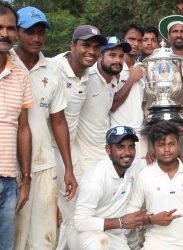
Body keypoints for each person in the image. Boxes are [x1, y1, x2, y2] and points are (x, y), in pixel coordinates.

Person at [10, 6, 77, 249]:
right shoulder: (6, 63)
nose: (37, 38)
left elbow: (58, 121)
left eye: (41, 32)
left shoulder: (52, 70)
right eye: (30, 32)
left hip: (45, 164)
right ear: (17, 32)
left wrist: (69, 168)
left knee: (44, 239)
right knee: (13, 237)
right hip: (9, 165)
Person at [52, 24, 107, 250]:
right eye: (86, 45)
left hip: (67, 154)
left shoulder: (87, 74)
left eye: (96, 47)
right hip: (45, 156)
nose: (91, 52)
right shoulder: (53, 68)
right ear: (72, 45)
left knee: (75, 216)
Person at [127, 120, 183, 250]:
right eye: (161, 145)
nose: (167, 150)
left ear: (178, 145)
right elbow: (131, 213)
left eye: (172, 144)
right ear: (153, 148)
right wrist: (151, 220)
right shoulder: (145, 174)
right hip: (156, 243)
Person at [74, 126, 147, 249]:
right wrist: (121, 222)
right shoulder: (95, 179)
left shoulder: (134, 165)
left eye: (131, 146)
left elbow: (157, 160)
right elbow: (80, 222)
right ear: (108, 149)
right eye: (120, 147)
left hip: (115, 234)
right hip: (88, 234)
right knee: (99, 243)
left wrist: (180, 154)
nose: (127, 152)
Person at [74, 36, 131, 179]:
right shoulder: (87, 77)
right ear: (99, 56)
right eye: (112, 55)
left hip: (104, 151)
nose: (118, 60)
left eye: (120, 56)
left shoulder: (112, 79)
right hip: (84, 156)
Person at [0, 2, 32, 249]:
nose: (5, 34)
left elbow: (23, 128)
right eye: (0, 27)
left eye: (11, 28)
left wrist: (25, 178)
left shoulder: (20, 74)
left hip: (9, 182)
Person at [110, 23, 146, 159]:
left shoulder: (142, 68)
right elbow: (112, 106)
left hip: (140, 135)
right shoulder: (113, 67)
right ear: (123, 40)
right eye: (132, 39)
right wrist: (131, 79)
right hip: (118, 135)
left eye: (139, 40)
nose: (136, 44)